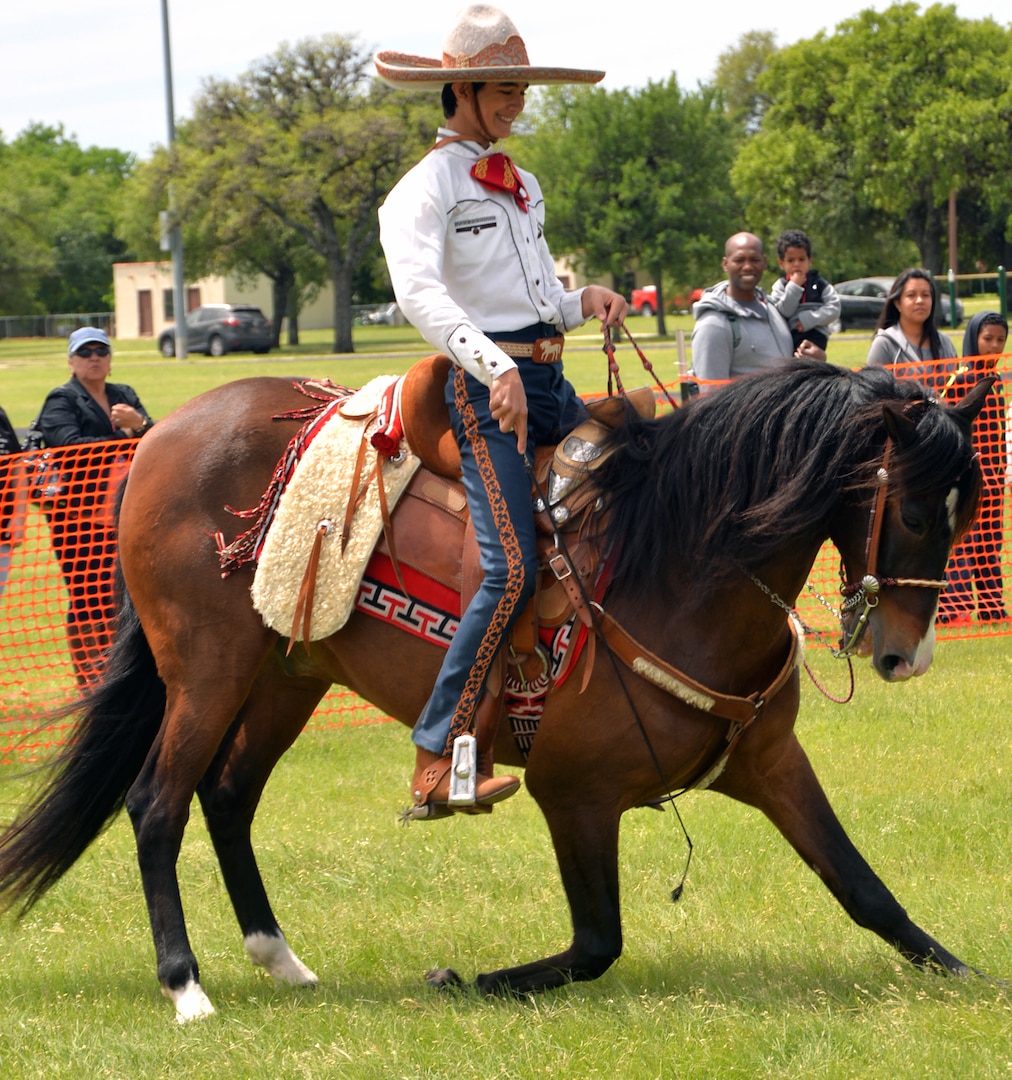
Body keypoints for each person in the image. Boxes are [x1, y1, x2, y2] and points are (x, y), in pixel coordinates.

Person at [375, 5, 626, 814]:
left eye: (522, 87)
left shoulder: (523, 185)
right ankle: (432, 752)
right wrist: (489, 366)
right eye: (504, 88)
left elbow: (538, 299)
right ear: (462, 89)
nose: (518, 101)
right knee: (512, 564)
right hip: (488, 397)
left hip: (549, 383)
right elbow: (420, 293)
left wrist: (581, 300)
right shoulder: (423, 190)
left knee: (637, 477)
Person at [35, 327, 153, 686]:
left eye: (101, 351)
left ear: (111, 360)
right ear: (71, 362)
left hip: (124, 515)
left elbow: (158, 442)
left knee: (122, 597)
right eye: (85, 352)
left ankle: (116, 673)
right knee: (88, 598)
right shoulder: (61, 399)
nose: (94, 358)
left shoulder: (124, 395)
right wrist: (126, 436)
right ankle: (89, 678)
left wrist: (143, 425)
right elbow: (71, 447)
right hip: (78, 519)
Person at [937, 312, 1008, 624]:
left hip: (993, 480)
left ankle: (992, 605)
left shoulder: (997, 385)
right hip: (967, 478)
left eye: (1000, 340)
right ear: (973, 339)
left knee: (990, 543)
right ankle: (955, 608)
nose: (993, 346)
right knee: (965, 541)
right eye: (987, 338)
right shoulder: (961, 379)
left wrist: (1001, 473)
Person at [690, 232, 824, 390]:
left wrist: (817, 361)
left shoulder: (773, 309)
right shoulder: (714, 324)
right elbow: (709, 399)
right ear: (726, 264)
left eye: (754, 259)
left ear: (764, 262)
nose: (747, 266)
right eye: (739, 260)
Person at [865, 268, 957, 380]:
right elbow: (872, 392)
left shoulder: (944, 343)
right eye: (911, 295)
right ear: (898, 303)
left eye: (925, 295)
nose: (919, 300)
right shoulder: (884, 344)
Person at [769, 229, 841, 352]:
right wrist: (794, 287)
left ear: (809, 261)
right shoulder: (781, 286)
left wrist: (809, 319)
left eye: (801, 259)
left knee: (811, 361)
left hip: (816, 336)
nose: (796, 264)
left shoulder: (820, 284)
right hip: (790, 337)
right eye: (791, 260)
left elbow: (834, 309)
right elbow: (782, 312)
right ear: (781, 263)